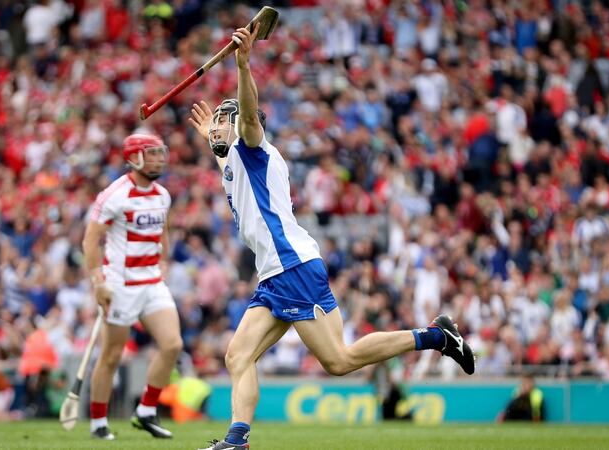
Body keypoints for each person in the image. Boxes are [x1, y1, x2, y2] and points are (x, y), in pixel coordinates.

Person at [187, 26, 475, 450]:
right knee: (237, 356)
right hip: (276, 274)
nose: (217, 128)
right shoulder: (232, 161)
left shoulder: (253, 146)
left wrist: (244, 65)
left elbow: (248, 116)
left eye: (223, 122)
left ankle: (436, 337)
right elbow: (225, 152)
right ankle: (237, 440)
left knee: (339, 361)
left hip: (292, 266)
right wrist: (209, 133)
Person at [83, 133, 183, 440]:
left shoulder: (162, 195)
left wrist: (164, 261)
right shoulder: (114, 195)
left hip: (151, 281)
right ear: (135, 158)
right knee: (112, 355)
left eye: (160, 153)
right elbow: (90, 240)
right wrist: (98, 282)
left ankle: (146, 411)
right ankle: (99, 422)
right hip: (121, 285)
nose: (158, 159)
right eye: (151, 154)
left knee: (173, 345)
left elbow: (163, 231)